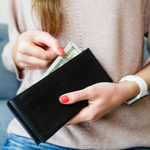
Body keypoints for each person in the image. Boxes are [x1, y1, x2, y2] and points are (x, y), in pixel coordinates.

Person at [1, 0, 150, 149]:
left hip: (126, 137)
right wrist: (18, 53)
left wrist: (127, 89)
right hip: (38, 137)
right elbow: (11, 53)